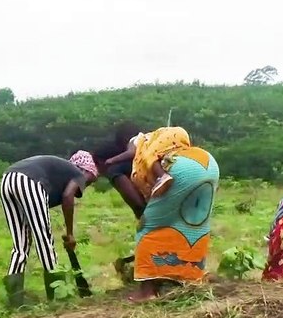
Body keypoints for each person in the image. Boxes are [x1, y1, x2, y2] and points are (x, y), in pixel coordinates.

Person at [94, 126, 219, 302]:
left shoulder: (116, 167)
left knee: (149, 226)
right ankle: (191, 278)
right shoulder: (154, 147)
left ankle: (148, 291)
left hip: (179, 168)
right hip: (206, 162)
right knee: (193, 223)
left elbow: (138, 206)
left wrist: (147, 224)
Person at [0, 150, 100, 306]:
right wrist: (70, 234)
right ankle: (57, 298)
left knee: (20, 245)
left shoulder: (61, 173)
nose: (86, 185)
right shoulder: (78, 174)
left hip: (7, 179)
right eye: (90, 180)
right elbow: (68, 197)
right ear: (85, 170)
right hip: (29, 181)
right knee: (44, 241)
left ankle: (14, 302)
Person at [101, 126, 187, 198]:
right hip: (180, 135)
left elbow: (131, 152)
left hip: (171, 133)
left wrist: (111, 160)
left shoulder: (135, 140)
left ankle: (162, 176)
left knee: (148, 155)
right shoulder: (151, 139)